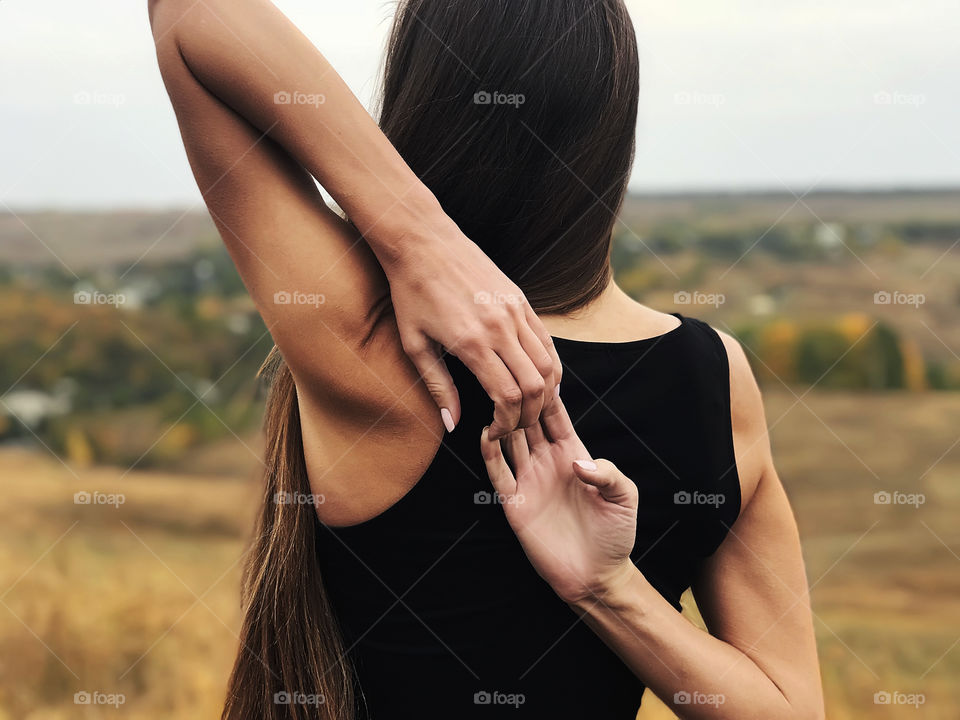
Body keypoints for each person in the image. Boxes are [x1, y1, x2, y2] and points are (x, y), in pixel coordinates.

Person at [147, 0, 824, 718]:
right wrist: (617, 595)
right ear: (614, 131)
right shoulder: (711, 377)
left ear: (419, 100)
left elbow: (189, 16)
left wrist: (419, 237)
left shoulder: (370, 344)